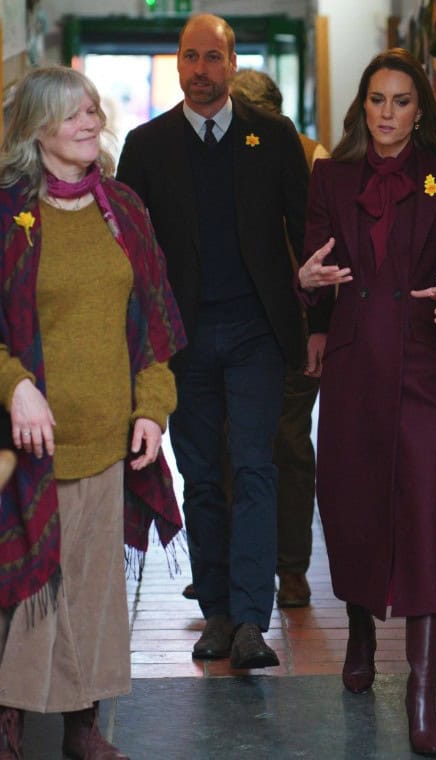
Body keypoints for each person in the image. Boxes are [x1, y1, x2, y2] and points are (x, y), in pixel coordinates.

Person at [0, 66, 186, 760]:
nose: (91, 123)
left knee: (93, 591)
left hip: (108, 440)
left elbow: (156, 325)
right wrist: (15, 385)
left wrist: (153, 411)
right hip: (26, 448)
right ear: (38, 127)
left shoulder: (124, 209)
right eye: (74, 113)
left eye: (93, 111)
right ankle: (9, 724)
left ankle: (83, 726)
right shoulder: (7, 214)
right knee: (26, 586)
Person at [298, 48, 436, 756]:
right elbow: (312, 268)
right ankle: (360, 631)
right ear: (361, 106)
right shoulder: (331, 177)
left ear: (419, 110)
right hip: (352, 366)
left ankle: (422, 693)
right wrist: (306, 281)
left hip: (424, 370)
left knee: (427, 516)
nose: (387, 113)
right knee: (353, 505)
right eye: (377, 99)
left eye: (401, 101)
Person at [116, 13, 309, 669]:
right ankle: (219, 614)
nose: (200, 70)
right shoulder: (146, 146)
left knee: (254, 468)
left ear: (232, 62)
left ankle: (253, 620)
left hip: (257, 332)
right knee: (200, 476)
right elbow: (128, 250)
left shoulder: (273, 137)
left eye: (213, 57)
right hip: (183, 338)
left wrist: (317, 324)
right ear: (178, 62)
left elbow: (307, 235)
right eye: (190, 57)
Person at [229, 68, 329, 608]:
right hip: (236, 320)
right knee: (235, 444)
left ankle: (290, 567)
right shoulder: (216, 150)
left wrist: (322, 324)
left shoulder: (312, 157)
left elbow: (326, 245)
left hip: (293, 321)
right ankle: (236, 565)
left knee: (288, 443)